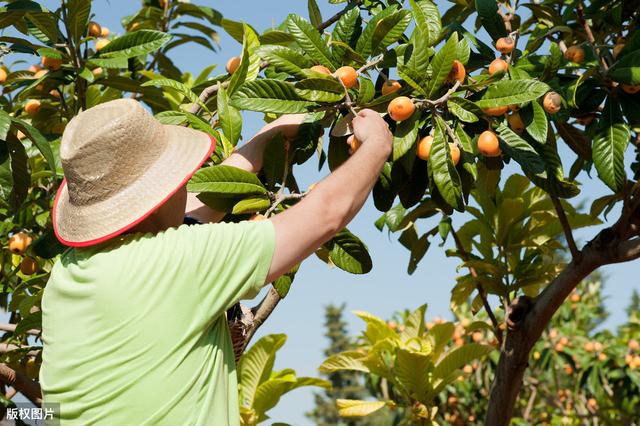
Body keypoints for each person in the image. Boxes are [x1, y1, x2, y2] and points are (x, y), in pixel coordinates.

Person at [40, 98, 392, 425]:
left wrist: (268, 135)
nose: (185, 186)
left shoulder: (66, 274)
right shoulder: (180, 262)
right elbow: (326, 213)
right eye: (177, 179)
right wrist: (376, 145)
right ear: (160, 193)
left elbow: (189, 210)